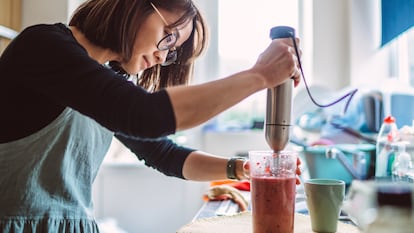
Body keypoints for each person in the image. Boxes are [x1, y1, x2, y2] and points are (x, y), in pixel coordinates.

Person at [0, 0, 302, 232]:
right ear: (135, 6)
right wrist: (258, 76)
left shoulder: (107, 82)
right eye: (169, 37)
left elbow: (163, 153)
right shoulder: (43, 45)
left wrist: (242, 169)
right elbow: (146, 115)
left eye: (172, 52)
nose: (162, 56)